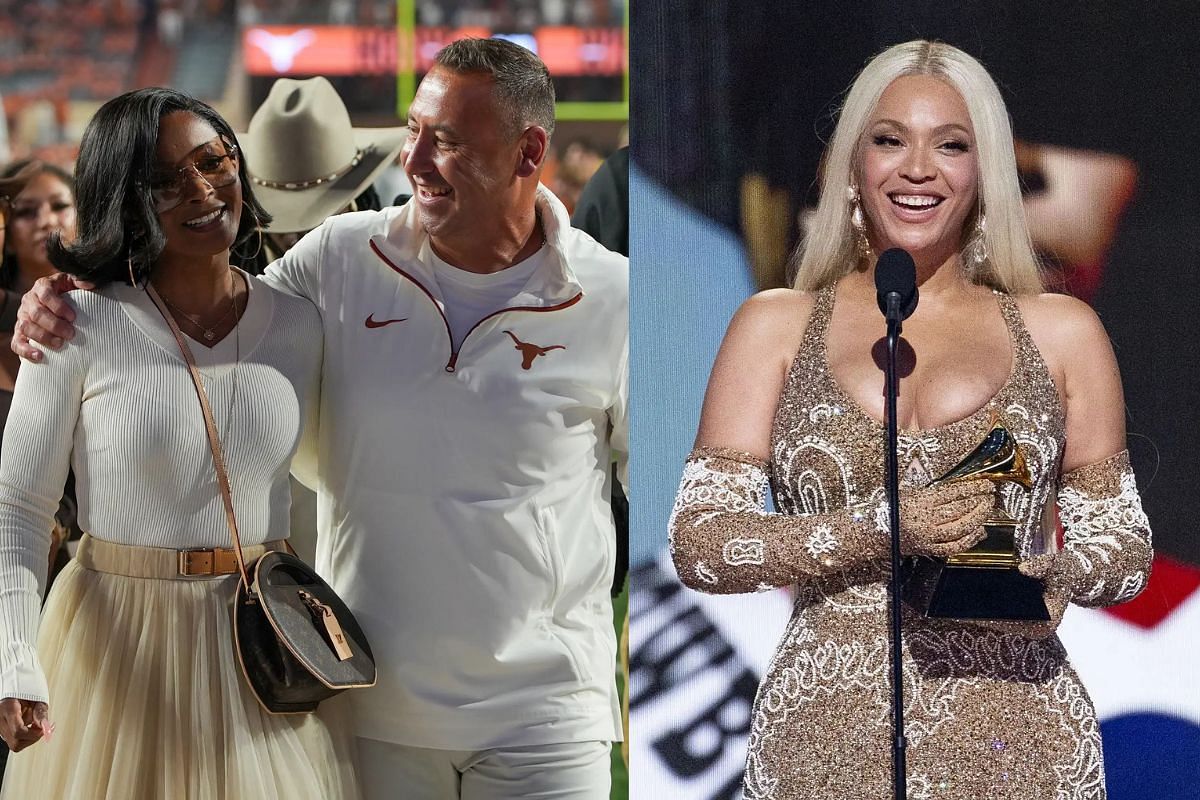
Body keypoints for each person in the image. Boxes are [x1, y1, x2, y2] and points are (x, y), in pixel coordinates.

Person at [14, 38, 627, 799]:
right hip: (363, 694)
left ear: (529, 150)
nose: (417, 160)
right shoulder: (339, 257)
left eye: (447, 141)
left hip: (544, 708)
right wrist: (68, 295)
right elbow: (196, 316)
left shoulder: (618, 297)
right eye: (413, 131)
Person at [666, 40, 1151, 799]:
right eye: (889, 140)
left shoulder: (1061, 331)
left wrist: (1052, 574)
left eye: (951, 145)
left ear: (984, 171)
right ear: (850, 167)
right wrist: (889, 526)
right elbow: (702, 544)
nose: (917, 168)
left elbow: (1121, 545)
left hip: (1016, 739)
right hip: (824, 742)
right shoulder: (776, 326)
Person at [0, 88, 358, 798]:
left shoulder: (300, 324)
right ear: (124, 200)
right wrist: (13, 657)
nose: (201, 188)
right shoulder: (73, 323)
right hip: (112, 648)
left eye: (212, 160)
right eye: (164, 181)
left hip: (261, 646)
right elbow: (19, 505)